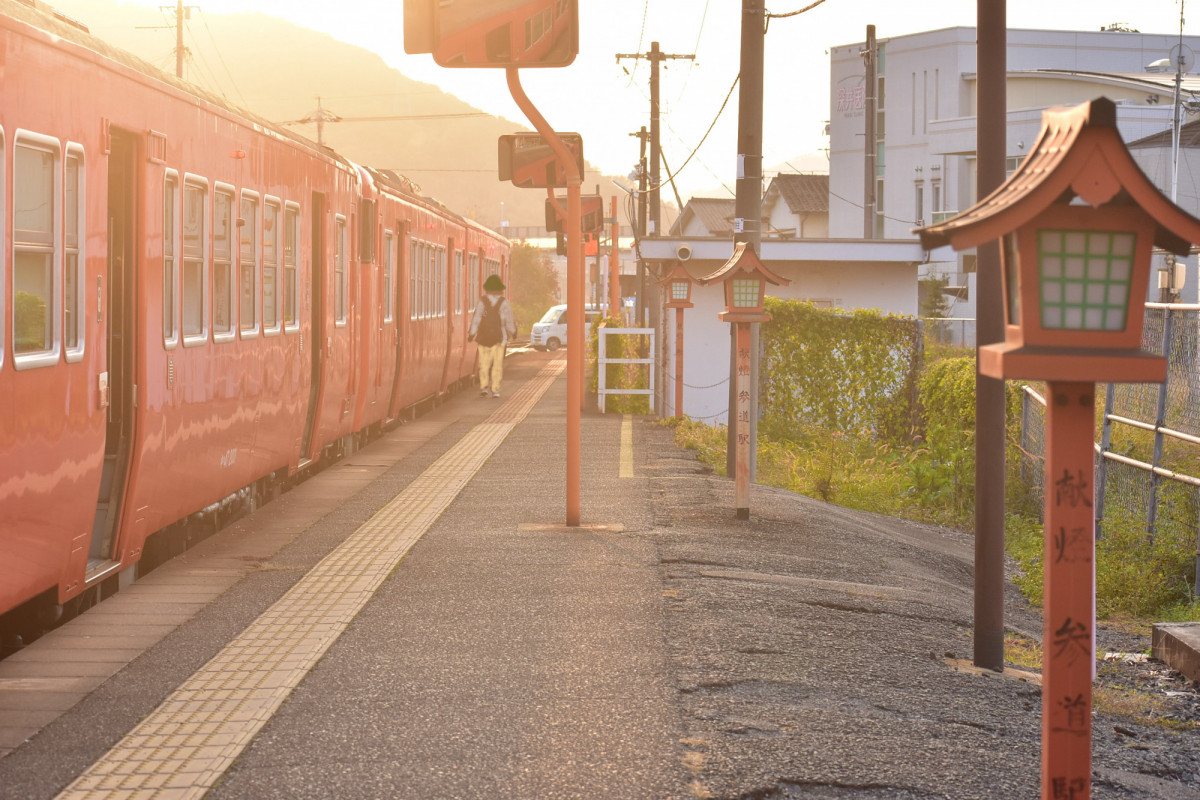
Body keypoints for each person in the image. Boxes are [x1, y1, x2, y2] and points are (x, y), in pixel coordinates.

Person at [468, 274, 517, 398]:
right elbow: (509, 320)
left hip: (483, 337)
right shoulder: (503, 302)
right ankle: (495, 390)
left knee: (484, 363)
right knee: (497, 364)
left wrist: (472, 334)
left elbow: (476, 319)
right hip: (499, 338)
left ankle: (484, 387)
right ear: (500, 289)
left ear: (487, 288)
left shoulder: (482, 301)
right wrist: (513, 332)